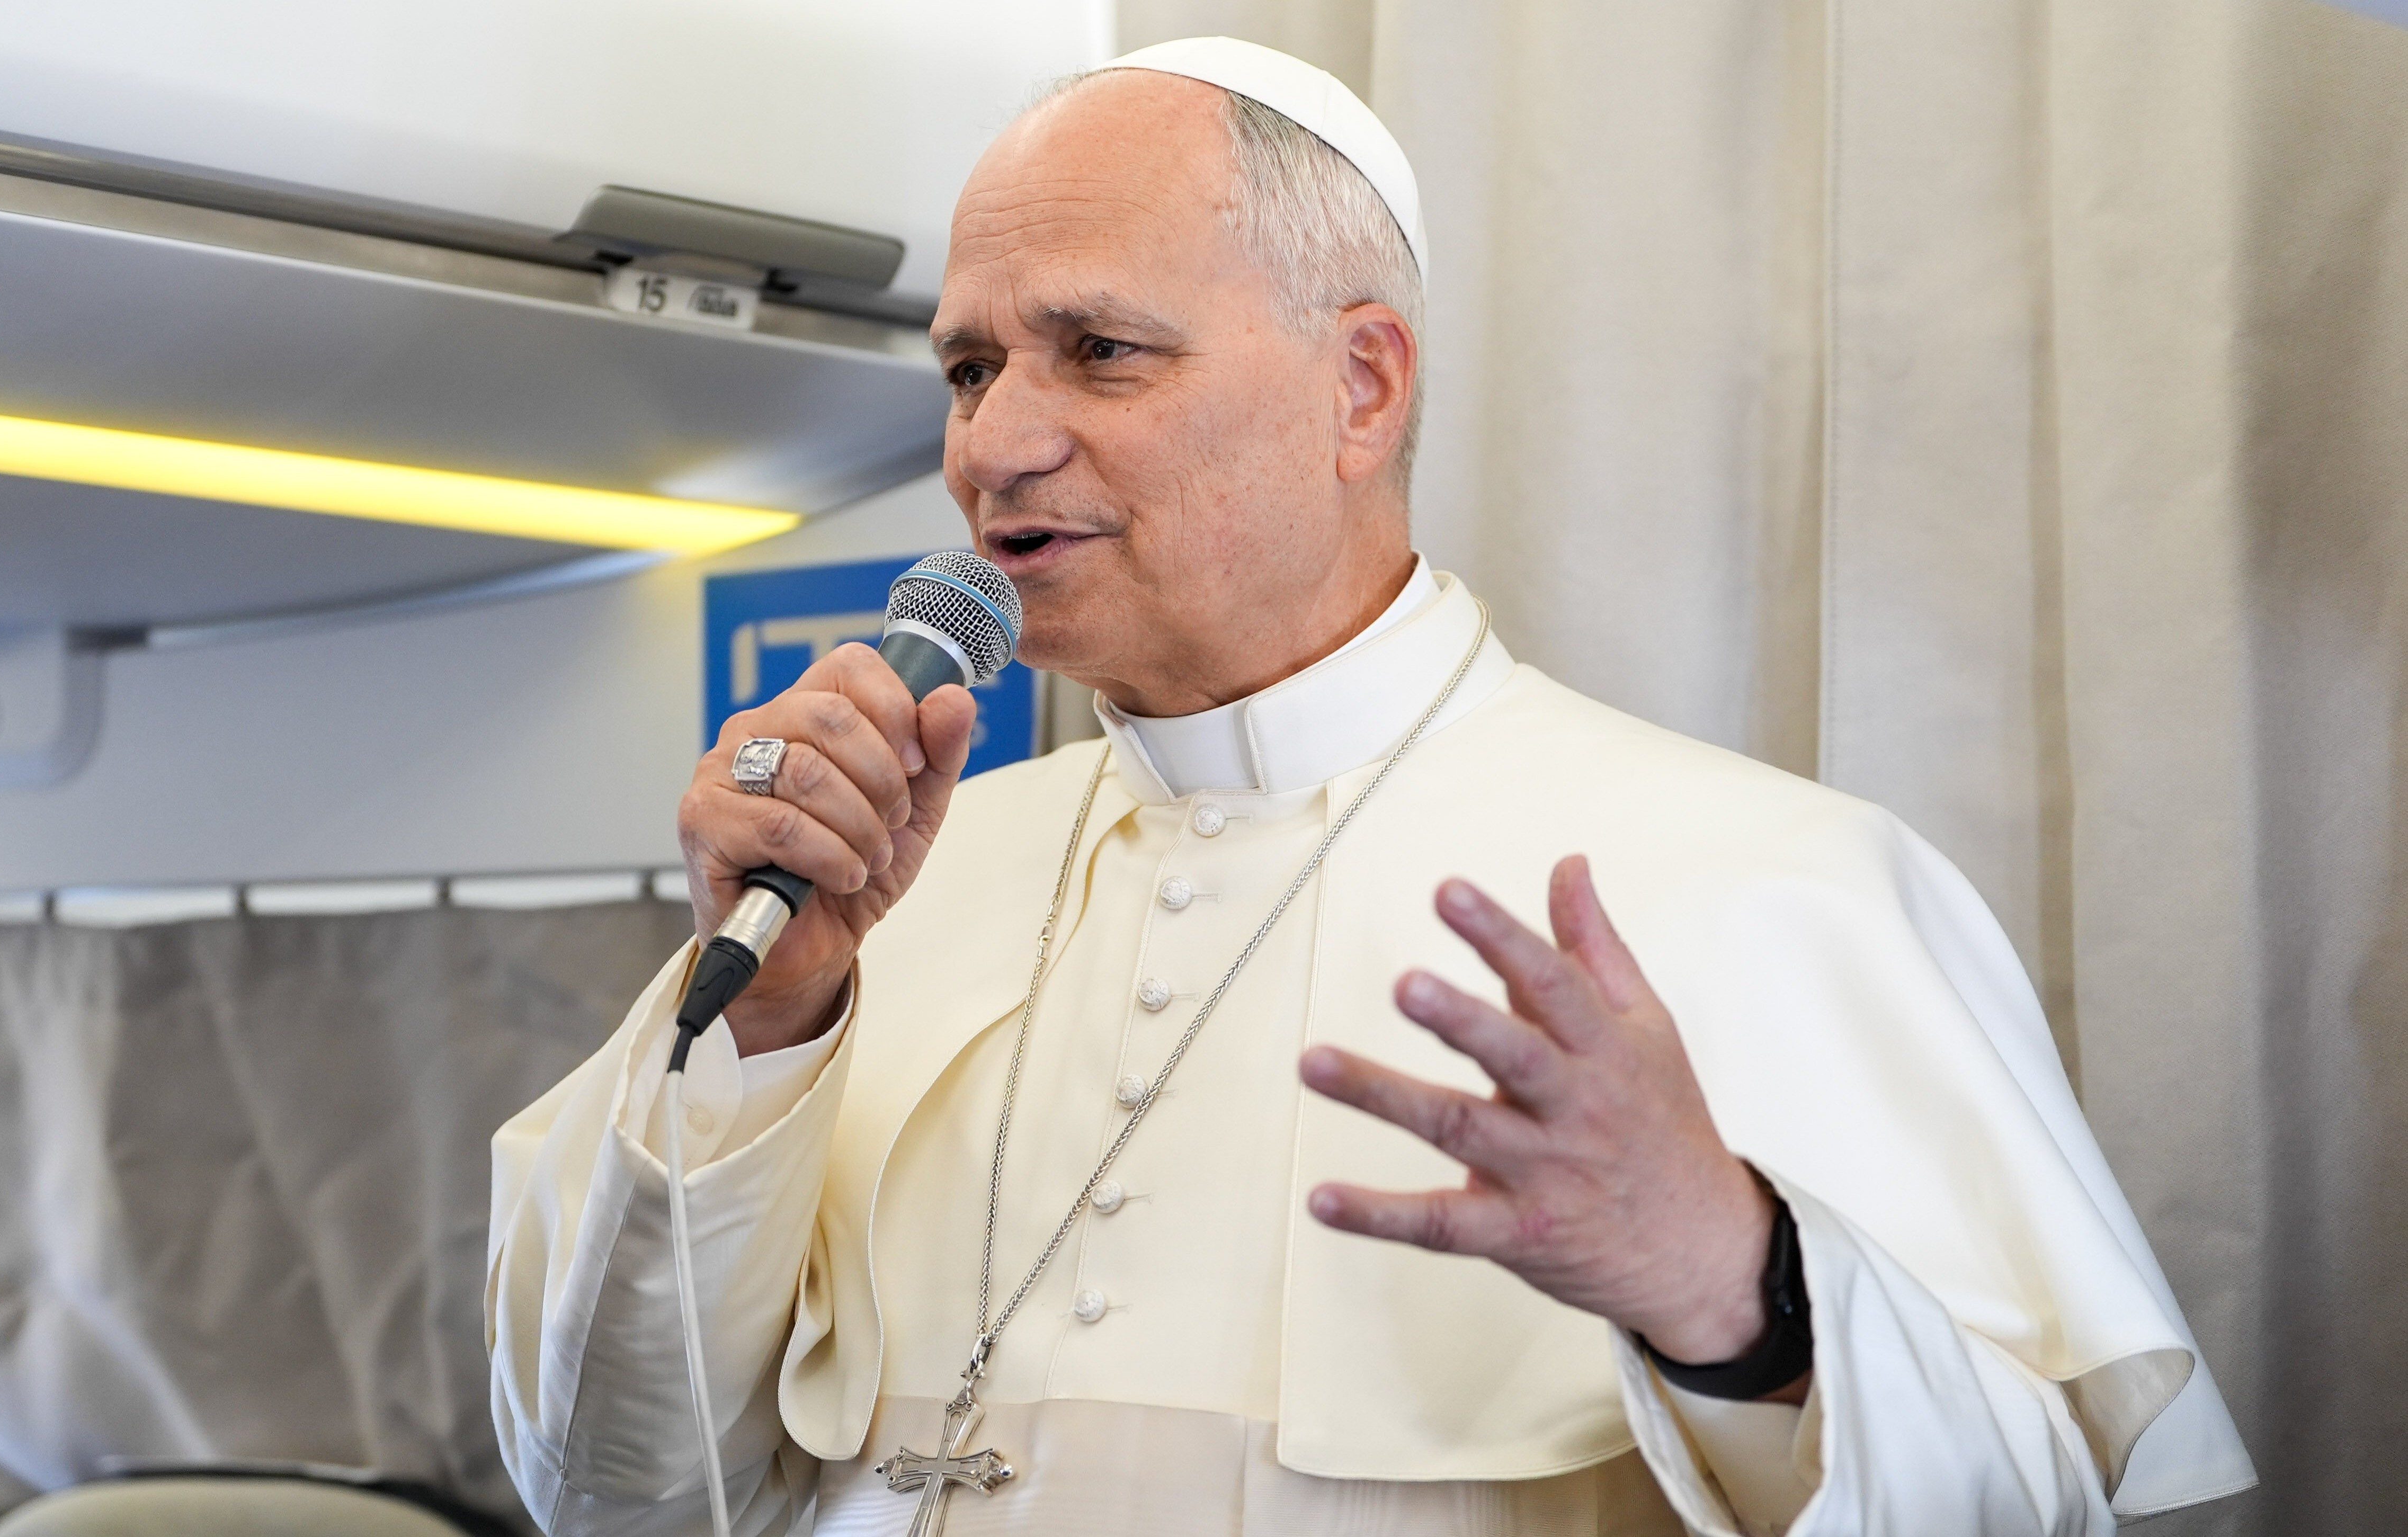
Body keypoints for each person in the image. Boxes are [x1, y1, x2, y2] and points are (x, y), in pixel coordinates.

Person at [487, 37, 2253, 1537]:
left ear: (1360, 384)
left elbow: (2044, 1511)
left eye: (1100, 350)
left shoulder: (1770, 885)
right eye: (968, 368)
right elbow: (611, 1493)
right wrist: (770, 1027)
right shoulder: (873, 895)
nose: (991, 445)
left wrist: (1739, 1290)